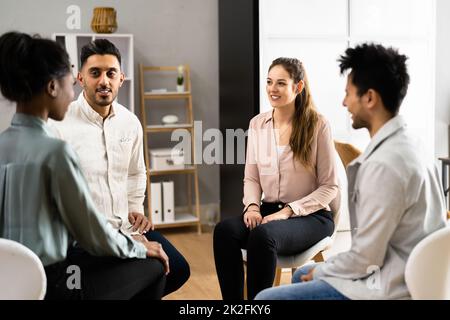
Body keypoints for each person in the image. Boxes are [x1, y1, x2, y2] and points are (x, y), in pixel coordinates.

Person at [255, 43, 447, 300]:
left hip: (388, 286)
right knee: (304, 273)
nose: (344, 102)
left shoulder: (383, 166)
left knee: (265, 300)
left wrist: (324, 273)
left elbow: (365, 259)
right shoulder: (414, 144)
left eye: (349, 94)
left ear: (369, 98)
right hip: (415, 274)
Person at [0, 31, 170, 300]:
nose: (72, 95)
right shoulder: (56, 150)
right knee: (154, 265)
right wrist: (140, 248)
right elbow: (92, 234)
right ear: (52, 87)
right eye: (71, 83)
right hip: (57, 283)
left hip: (10, 283)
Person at [50, 39, 190, 296]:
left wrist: (136, 208)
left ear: (121, 78)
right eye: (95, 73)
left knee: (179, 268)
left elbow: (136, 172)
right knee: (155, 268)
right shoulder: (60, 123)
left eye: (110, 73)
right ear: (80, 78)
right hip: (84, 240)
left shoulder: (130, 122)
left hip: (125, 227)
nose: (104, 81)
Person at [213, 57, 339, 300]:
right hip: (269, 210)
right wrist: (251, 206)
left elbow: (329, 186)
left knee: (263, 235)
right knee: (224, 231)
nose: (272, 89)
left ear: (298, 87)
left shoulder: (318, 125)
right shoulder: (258, 124)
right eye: (269, 82)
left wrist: (288, 212)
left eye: (281, 83)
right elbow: (251, 178)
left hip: (311, 216)